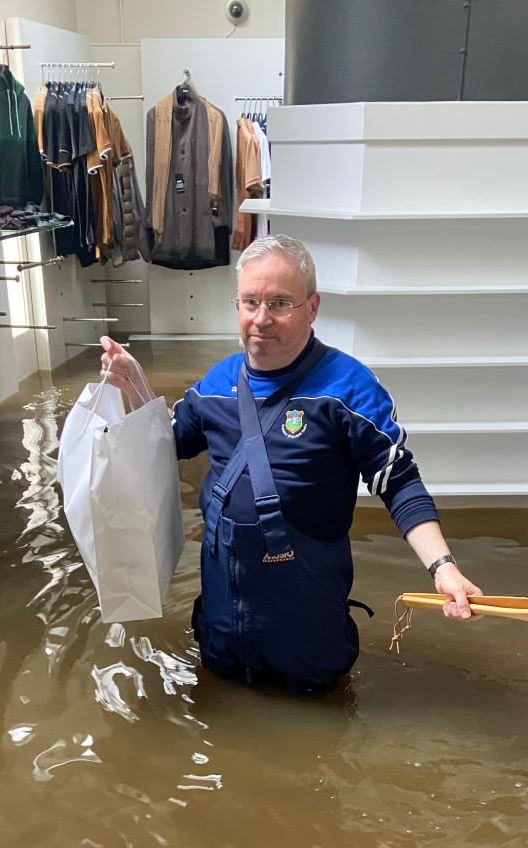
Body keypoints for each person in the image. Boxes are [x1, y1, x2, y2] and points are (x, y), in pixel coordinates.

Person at [99, 233, 481, 691]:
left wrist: (444, 568)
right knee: (220, 725)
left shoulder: (349, 390)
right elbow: (164, 445)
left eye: (280, 303)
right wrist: (137, 389)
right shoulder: (216, 384)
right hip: (222, 632)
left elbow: (399, 483)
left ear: (312, 307)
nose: (261, 319)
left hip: (306, 637)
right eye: (250, 302)